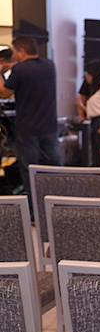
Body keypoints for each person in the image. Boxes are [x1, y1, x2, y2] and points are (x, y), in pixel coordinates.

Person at [0, 37, 62, 207]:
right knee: (54, 166)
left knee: (30, 169)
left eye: (14, 52)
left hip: (28, 129)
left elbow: (4, 93)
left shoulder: (20, 69)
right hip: (49, 126)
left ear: (21, 52)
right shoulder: (49, 65)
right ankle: (57, 203)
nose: (13, 56)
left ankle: (35, 209)